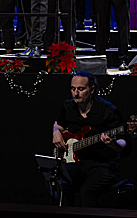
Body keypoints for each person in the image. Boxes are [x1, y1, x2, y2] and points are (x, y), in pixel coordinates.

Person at [51, 72, 130, 207]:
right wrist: (56, 131)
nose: (76, 93)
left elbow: (124, 142)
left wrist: (112, 144)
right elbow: (58, 124)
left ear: (92, 89)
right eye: (73, 89)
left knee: (87, 191)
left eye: (81, 89)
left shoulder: (108, 110)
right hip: (76, 163)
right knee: (62, 184)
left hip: (102, 164)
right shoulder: (68, 106)